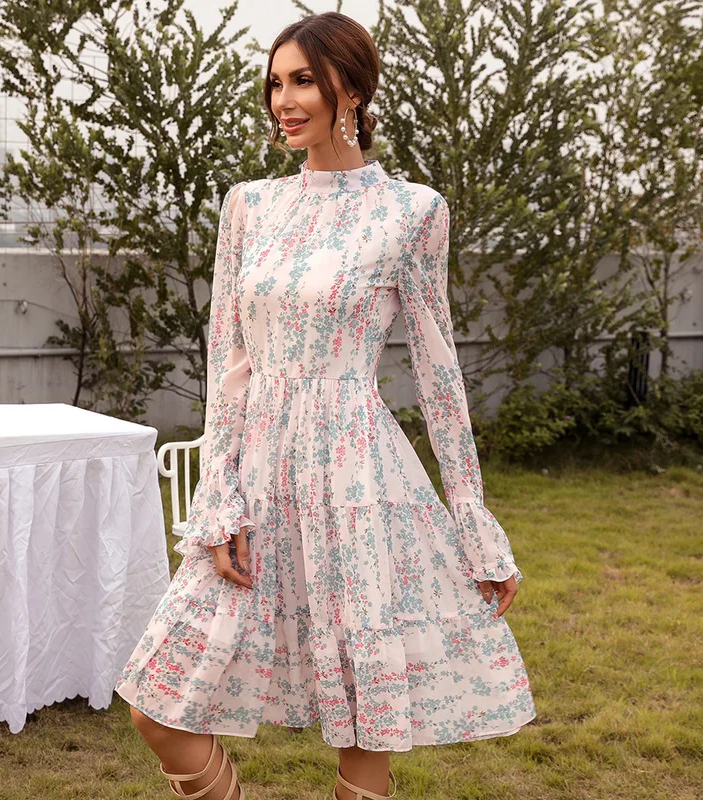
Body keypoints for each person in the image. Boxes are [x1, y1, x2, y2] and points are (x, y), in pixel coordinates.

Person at [114, 11, 537, 800]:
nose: (284, 100)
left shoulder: (413, 212)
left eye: (303, 80)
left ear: (352, 88)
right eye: (275, 83)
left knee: (364, 722)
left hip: (356, 479)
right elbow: (228, 363)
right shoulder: (249, 206)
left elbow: (439, 376)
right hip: (257, 473)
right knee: (158, 706)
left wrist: (473, 518)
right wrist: (219, 493)